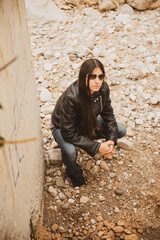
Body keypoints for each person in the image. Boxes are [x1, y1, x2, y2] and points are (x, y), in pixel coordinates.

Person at [51, 59, 126, 187]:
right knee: (70, 152)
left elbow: (108, 116)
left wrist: (110, 141)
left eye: (101, 76)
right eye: (93, 76)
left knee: (120, 130)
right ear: (84, 77)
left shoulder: (103, 89)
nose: (97, 81)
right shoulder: (71, 97)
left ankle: (83, 140)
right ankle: (74, 173)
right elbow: (68, 132)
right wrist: (97, 147)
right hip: (63, 128)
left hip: (87, 122)